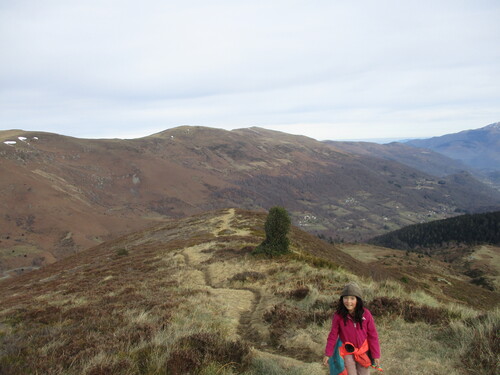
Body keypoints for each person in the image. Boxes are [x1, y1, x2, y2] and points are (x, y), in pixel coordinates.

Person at [322, 282, 381, 375]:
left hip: (363, 352)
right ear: (342, 299)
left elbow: (373, 336)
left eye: (352, 298)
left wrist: (376, 355)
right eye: (346, 298)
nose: (348, 302)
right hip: (347, 352)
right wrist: (328, 353)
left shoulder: (366, 314)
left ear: (358, 300)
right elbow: (333, 335)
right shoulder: (338, 316)